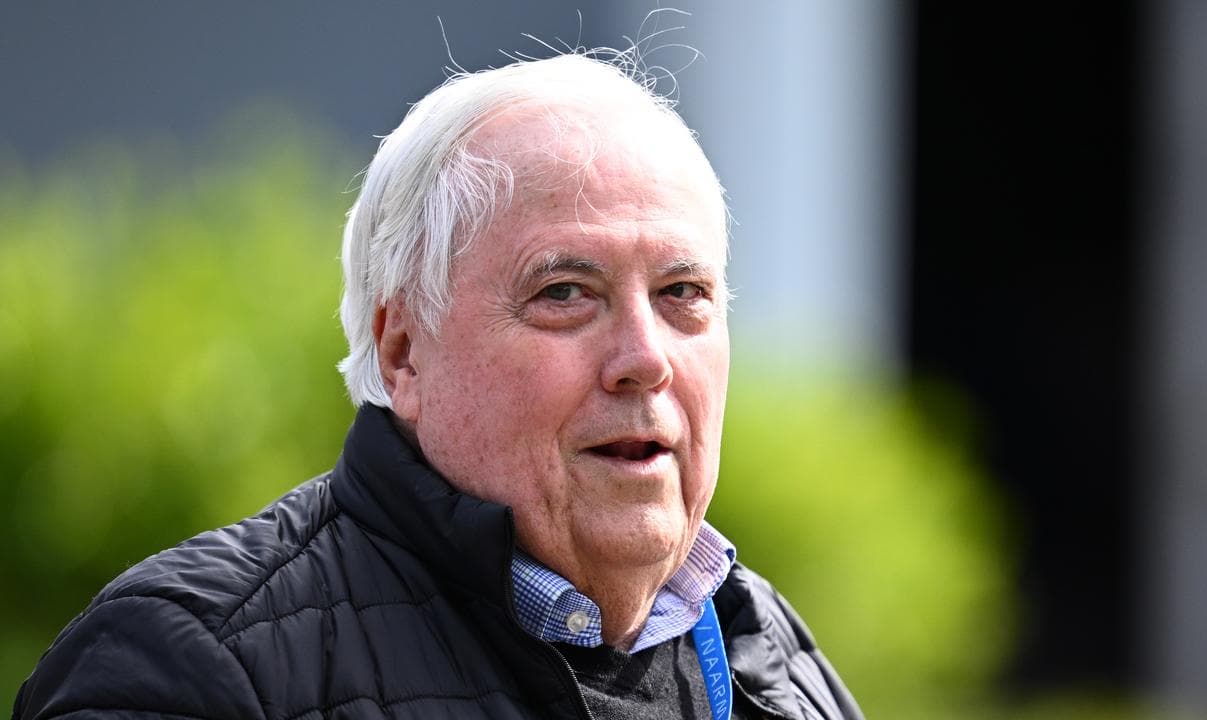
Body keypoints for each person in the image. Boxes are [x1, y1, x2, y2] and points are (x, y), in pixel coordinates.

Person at [13, 51, 862, 720]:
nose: (646, 357)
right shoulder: (193, 667)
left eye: (682, 293)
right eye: (565, 293)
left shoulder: (766, 650)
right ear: (402, 354)